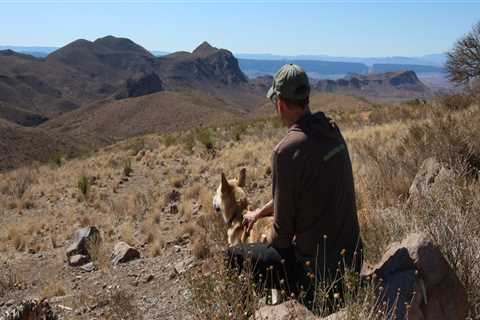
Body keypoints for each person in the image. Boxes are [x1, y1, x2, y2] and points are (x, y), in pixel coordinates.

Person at [225, 64, 363, 309]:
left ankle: (251, 312)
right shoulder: (330, 128)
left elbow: (282, 238)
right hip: (353, 260)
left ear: (279, 102)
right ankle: (276, 304)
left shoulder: (285, 152)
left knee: (236, 257)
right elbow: (299, 193)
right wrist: (258, 213)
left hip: (317, 277)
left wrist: (267, 237)